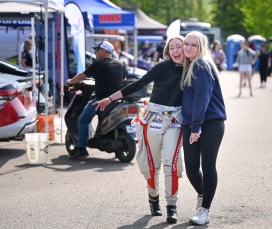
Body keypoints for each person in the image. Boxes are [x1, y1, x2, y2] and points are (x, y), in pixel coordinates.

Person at [94, 35, 185, 224]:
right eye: (173, 47)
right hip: (152, 119)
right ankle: (153, 198)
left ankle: (172, 206)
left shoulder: (191, 69)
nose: (176, 51)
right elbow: (138, 84)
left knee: (171, 164)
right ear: (168, 51)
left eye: (180, 47)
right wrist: (110, 99)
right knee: (153, 165)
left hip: (175, 121)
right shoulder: (161, 67)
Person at [180, 31, 226, 225]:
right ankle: (202, 195)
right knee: (191, 166)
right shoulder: (188, 66)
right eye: (186, 44)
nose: (188, 47)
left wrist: (196, 126)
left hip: (210, 123)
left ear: (201, 47)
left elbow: (203, 97)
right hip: (192, 123)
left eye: (193, 45)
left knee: (207, 165)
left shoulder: (201, 65)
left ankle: (205, 210)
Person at [65, 41, 125, 159]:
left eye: (97, 50)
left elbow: (83, 75)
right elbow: (121, 79)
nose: (95, 52)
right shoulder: (120, 64)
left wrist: (71, 81)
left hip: (101, 100)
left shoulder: (98, 64)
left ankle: (81, 149)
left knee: (83, 120)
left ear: (103, 51)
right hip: (116, 100)